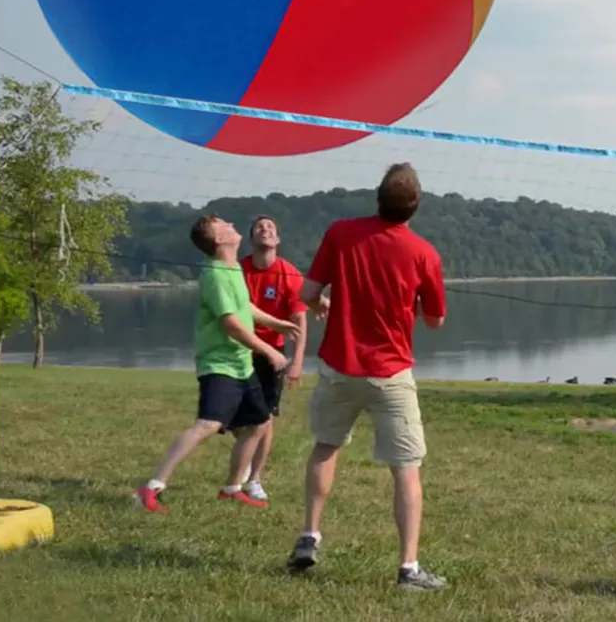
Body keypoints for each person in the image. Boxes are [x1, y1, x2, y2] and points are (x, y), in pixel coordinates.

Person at [285, 162, 448, 592]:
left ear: (377, 198)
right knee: (406, 469)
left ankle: (309, 536)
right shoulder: (425, 253)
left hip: (339, 367)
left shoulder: (340, 233)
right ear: (415, 207)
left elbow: (305, 294)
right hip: (390, 372)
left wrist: (321, 301)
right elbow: (434, 321)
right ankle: (408, 570)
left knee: (325, 447)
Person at [134, 214, 300, 514]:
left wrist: (277, 323)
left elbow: (245, 307)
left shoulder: (233, 267)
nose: (232, 226)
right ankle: (151, 487)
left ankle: (232, 488)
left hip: (241, 364)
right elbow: (232, 324)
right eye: (226, 226)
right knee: (208, 425)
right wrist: (270, 351)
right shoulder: (214, 274)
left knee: (259, 424)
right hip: (220, 364)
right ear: (219, 240)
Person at [237, 215, 310, 503]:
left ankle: (254, 478)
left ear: (277, 239)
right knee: (233, 418)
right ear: (252, 238)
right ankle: (242, 458)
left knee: (265, 418)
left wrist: (297, 361)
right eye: (258, 227)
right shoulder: (238, 270)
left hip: (273, 356)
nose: (264, 230)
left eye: (270, 228)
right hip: (240, 349)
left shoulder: (289, 273)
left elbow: (299, 321)